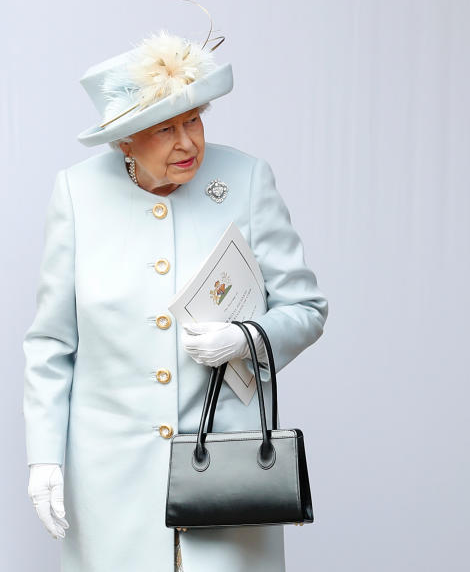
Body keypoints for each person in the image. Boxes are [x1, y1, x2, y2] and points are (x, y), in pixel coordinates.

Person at [23, 31, 328, 571]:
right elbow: (51, 344)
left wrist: (247, 338)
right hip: (111, 479)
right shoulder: (76, 194)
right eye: (164, 129)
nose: (187, 142)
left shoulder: (246, 179)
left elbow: (305, 308)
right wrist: (44, 456)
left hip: (229, 475)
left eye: (194, 119)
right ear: (124, 141)